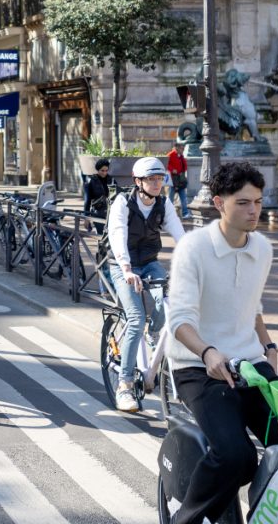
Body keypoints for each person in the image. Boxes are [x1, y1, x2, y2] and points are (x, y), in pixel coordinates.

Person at [164, 162, 278, 524]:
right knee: (236, 456)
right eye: (243, 202)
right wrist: (207, 351)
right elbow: (179, 319)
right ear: (219, 203)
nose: (254, 211)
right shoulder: (194, 248)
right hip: (197, 366)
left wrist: (269, 346)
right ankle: (188, 520)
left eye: (258, 202)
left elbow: (251, 305)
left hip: (250, 364)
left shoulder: (262, 248)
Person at [107, 156, 186, 412]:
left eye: (159, 178)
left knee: (168, 308)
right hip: (122, 265)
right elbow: (117, 234)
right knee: (136, 319)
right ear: (138, 181)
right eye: (151, 179)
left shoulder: (163, 205)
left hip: (150, 262)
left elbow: (180, 236)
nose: (156, 183)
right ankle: (125, 386)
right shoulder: (123, 202)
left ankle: (155, 338)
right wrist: (127, 269)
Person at [83, 157, 113, 233]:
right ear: (98, 170)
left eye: (106, 170)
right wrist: (86, 217)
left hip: (111, 213)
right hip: (97, 213)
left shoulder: (111, 180)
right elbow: (87, 201)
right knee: (101, 235)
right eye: (102, 170)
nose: (104, 173)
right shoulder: (91, 181)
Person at [167, 141, 193, 220]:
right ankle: (168, 214)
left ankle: (185, 213)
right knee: (170, 198)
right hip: (172, 180)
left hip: (180, 180)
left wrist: (182, 158)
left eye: (183, 148)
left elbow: (184, 167)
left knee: (183, 198)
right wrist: (172, 170)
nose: (183, 149)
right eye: (182, 148)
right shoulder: (170, 155)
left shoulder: (181, 156)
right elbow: (166, 165)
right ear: (176, 148)